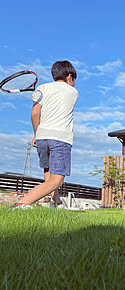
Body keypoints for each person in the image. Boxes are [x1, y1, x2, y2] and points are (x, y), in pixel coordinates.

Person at [15, 60, 79, 208]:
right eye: (74, 80)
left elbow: (35, 113)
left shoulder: (42, 88)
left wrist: (36, 134)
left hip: (42, 138)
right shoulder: (73, 92)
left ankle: (57, 202)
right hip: (60, 139)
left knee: (49, 176)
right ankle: (20, 204)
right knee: (56, 181)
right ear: (69, 77)